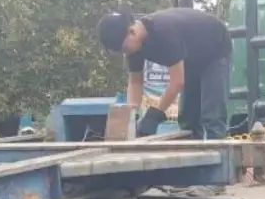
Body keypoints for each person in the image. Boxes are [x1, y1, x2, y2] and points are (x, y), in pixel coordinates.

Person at [97, 7, 232, 139]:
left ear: (132, 32)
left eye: (124, 49)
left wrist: (155, 114)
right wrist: (133, 117)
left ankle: (219, 153)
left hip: (215, 47)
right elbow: (135, 82)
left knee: (211, 116)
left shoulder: (164, 32)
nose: (125, 54)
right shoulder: (133, 48)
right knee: (188, 118)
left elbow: (177, 81)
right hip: (190, 56)